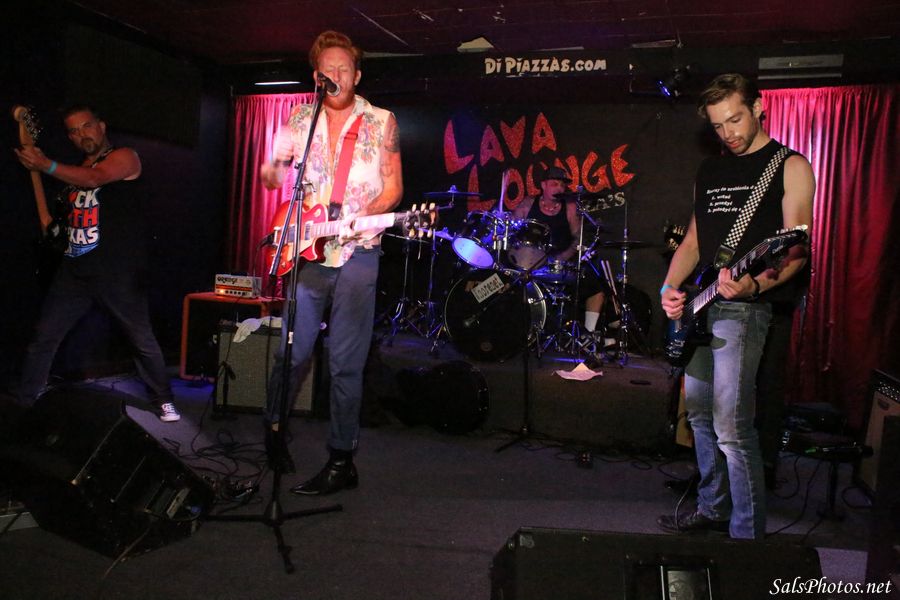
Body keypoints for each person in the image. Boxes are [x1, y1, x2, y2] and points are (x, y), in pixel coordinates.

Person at [657, 73, 814, 539]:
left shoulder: (790, 166)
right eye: (718, 125)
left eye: (735, 119)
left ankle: (747, 535)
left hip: (745, 310)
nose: (728, 133)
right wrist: (669, 286)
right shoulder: (710, 171)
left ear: (758, 107)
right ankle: (713, 508)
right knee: (699, 417)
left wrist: (754, 285)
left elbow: (796, 251)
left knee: (731, 426)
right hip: (701, 305)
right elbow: (693, 242)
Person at [259, 30, 403, 495]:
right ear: (316, 76)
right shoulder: (299, 119)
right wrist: (273, 165)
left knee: (345, 362)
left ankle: (342, 460)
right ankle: (273, 430)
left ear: (357, 76)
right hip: (307, 250)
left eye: (344, 69)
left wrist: (364, 216)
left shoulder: (382, 121)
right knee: (292, 351)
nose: (336, 75)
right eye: (328, 70)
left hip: (359, 251)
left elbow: (394, 188)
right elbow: (271, 178)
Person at [13, 105, 180, 422]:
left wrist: (45, 164)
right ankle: (26, 400)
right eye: (74, 131)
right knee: (44, 337)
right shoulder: (73, 173)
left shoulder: (125, 157)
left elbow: (96, 178)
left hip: (118, 271)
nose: (81, 135)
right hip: (75, 270)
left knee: (141, 340)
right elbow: (63, 219)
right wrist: (52, 224)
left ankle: (164, 399)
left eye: (86, 126)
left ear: (101, 126)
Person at [511, 166, 608, 338]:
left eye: (562, 185)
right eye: (554, 184)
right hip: (531, 265)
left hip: (561, 264)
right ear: (543, 185)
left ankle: (589, 335)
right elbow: (511, 233)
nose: (559, 189)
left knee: (595, 290)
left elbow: (578, 239)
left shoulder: (569, 207)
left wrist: (563, 257)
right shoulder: (528, 204)